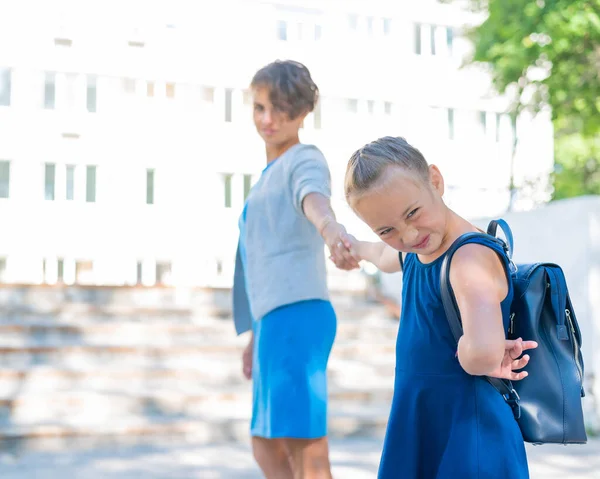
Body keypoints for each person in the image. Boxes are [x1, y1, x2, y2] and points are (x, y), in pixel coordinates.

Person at [341, 136, 537, 479]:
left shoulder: (468, 257)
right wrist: (354, 247)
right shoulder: (414, 252)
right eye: (387, 229)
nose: (408, 233)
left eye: (412, 213)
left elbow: (484, 355)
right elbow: (385, 255)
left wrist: (470, 349)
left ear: (435, 180)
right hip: (424, 418)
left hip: (467, 430)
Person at [232, 60, 359, 479]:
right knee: (266, 443)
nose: (269, 119)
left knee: (304, 444)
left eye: (282, 108)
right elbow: (255, 262)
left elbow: (314, 199)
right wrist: (253, 332)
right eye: (260, 107)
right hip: (272, 320)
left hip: (298, 314)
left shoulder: (303, 158)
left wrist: (331, 230)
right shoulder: (264, 180)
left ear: (303, 112)